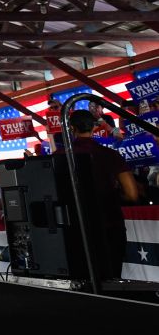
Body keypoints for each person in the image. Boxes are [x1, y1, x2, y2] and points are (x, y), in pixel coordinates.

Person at [57, 109, 139, 278]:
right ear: (94, 128)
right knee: (111, 279)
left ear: (71, 128)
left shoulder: (59, 156)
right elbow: (132, 194)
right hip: (109, 224)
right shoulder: (110, 155)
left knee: (80, 281)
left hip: (73, 227)